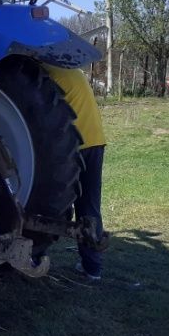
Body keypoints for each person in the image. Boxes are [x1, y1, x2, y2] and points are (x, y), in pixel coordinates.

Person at [44, 66, 106, 281]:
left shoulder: (44, 71)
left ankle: (36, 253)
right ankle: (93, 268)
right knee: (89, 204)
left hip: (74, 145)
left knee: (50, 201)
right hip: (96, 140)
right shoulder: (72, 69)